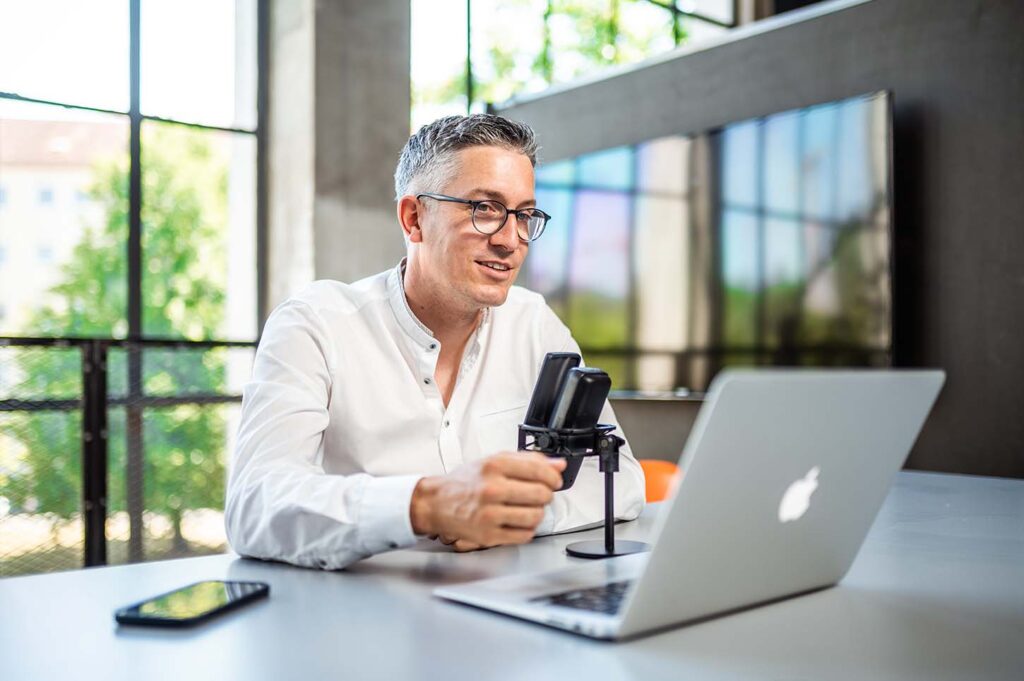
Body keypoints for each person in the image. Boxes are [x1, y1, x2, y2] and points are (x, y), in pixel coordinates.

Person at [225, 114, 645, 570]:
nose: (511, 240)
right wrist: (425, 506)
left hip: (504, 607)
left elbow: (621, 483)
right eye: (485, 209)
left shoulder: (533, 323)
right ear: (414, 219)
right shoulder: (315, 324)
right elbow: (254, 503)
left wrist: (496, 519)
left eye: (524, 215)